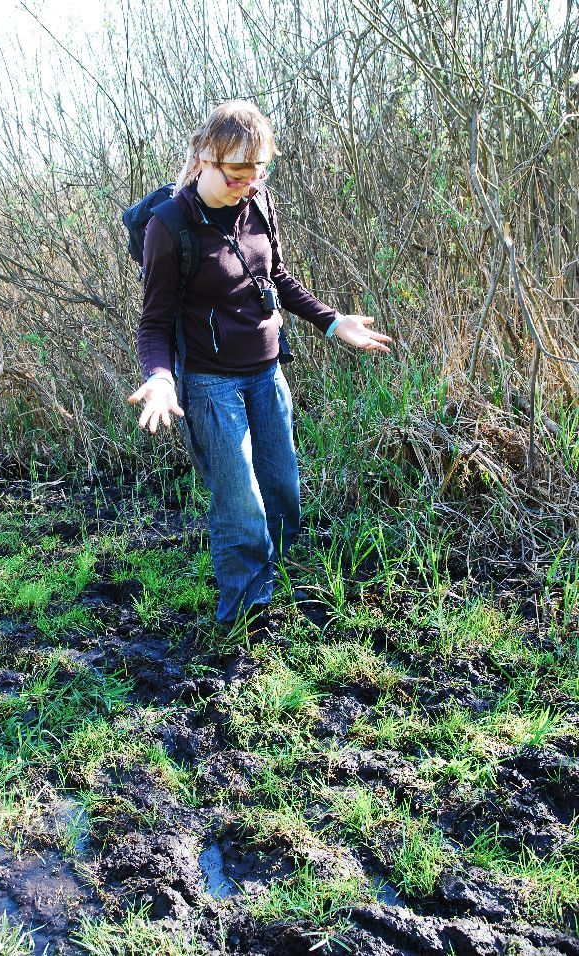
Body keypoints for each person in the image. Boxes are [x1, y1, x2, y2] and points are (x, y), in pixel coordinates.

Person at [128, 100, 392, 628]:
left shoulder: (259, 204)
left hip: (268, 374)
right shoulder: (170, 227)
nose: (248, 182)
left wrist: (332, 321)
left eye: (258, 170)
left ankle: (274, 581)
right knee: (240, 504)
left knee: (282, 492)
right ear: (205, 158)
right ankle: (245, 615)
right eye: (237, 172)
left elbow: (279, 278)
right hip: (209, 385)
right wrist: (160, 378)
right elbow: (155, 321)